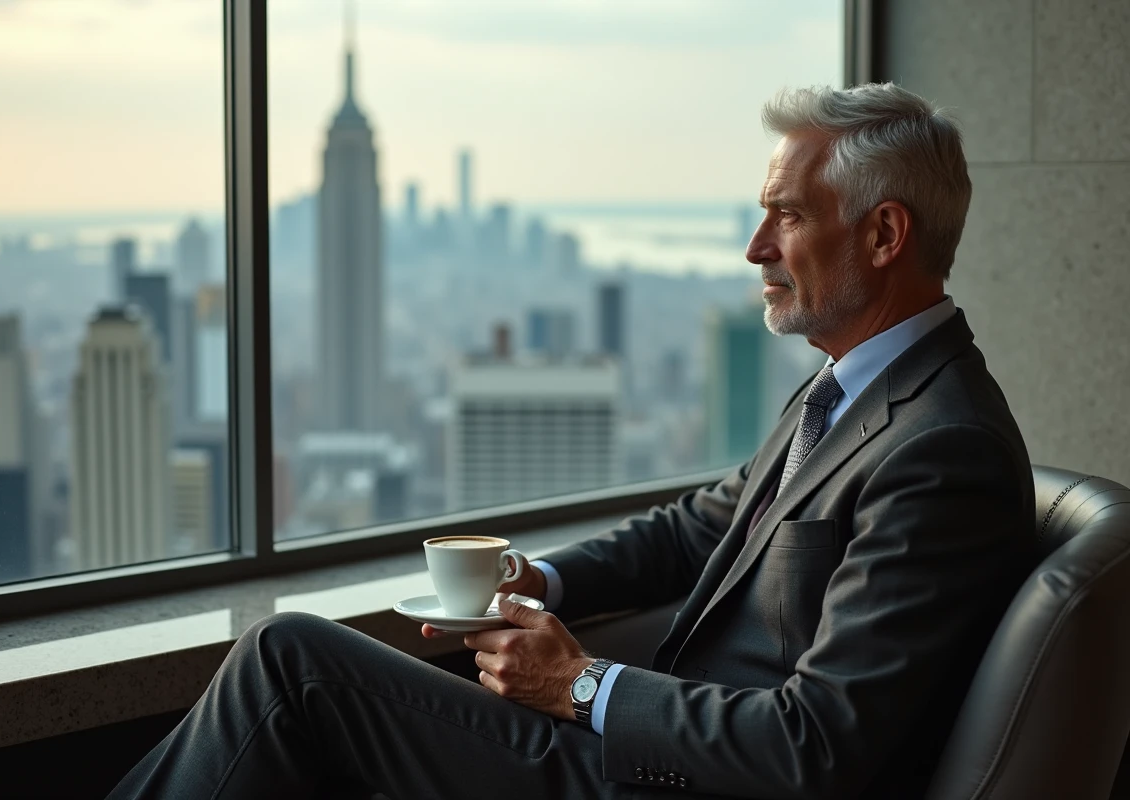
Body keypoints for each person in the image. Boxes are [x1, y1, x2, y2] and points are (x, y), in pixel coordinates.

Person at [110, 83, 1034, 799]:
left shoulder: (941, 448)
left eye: (788, 216)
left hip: (668, 781)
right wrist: (537, 582)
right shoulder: (850, 391)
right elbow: (696, 529)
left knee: (291, 663)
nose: (755, 247)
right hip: (644, 755)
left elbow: (820, 746)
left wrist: (583, 686)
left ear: (883, 234)